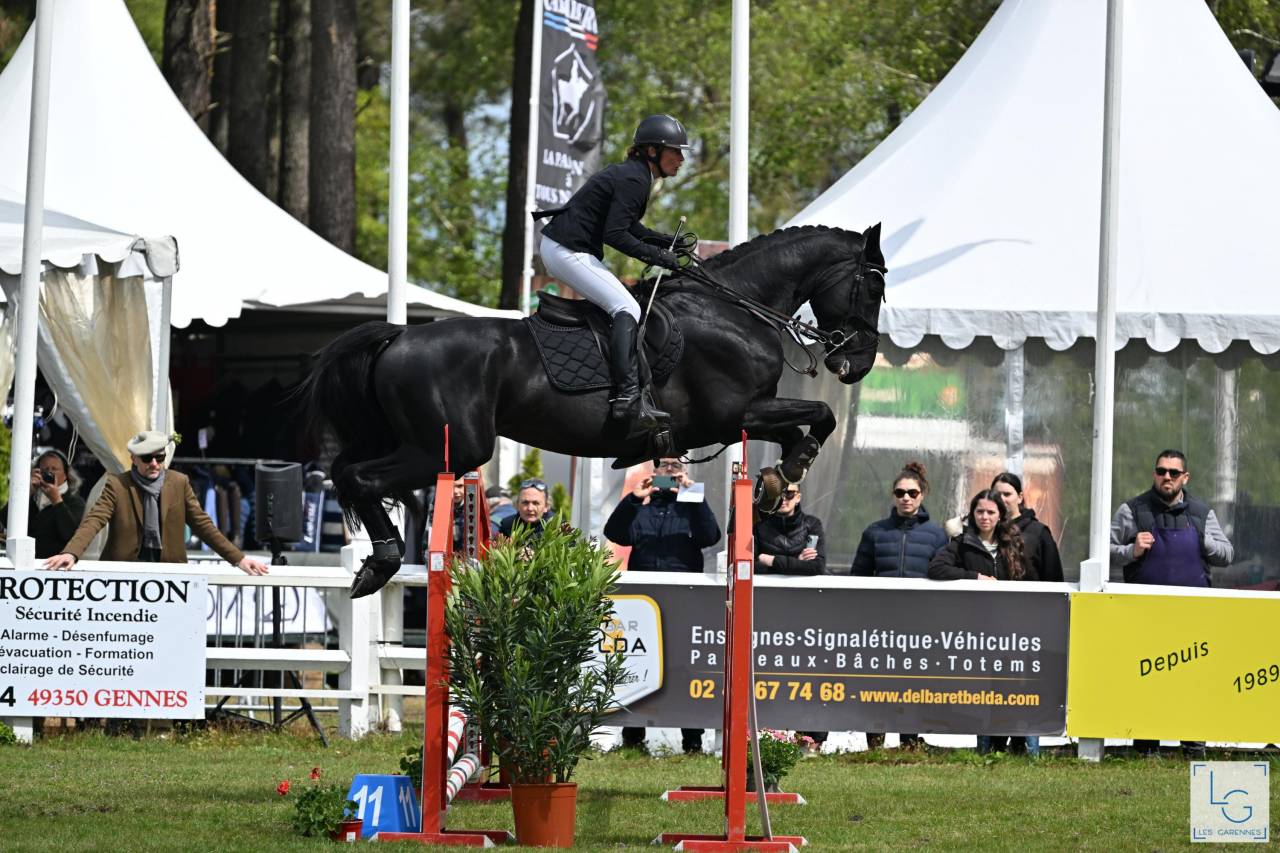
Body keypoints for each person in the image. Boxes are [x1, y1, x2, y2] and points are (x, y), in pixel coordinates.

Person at [538, 114, 695, 435]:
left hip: (565, 247)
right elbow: (616, 234)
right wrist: (660, 257)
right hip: (567, 250)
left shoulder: (636, 174)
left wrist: (665, 241)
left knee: (625, 305)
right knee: (628, 308)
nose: (681, 159)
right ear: (652, 151)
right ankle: (626, 396)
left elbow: (630, 227)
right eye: (675, 151)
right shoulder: (635, 179)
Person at [1110, 449, 1232, 758]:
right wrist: (1130, 551)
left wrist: (1205, 543)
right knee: (1147, 679)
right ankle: (1146, 748)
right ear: (1154, 474)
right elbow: (1103, 549)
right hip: (1145, 616)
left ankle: (1193, 746)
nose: (1167, 476)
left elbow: (1227, 555)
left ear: (1184, 478)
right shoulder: (1132, 510)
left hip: (1193, 616)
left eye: (1173, 473)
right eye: (1161, 471)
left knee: (1192, 681)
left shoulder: (1203, 513)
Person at [605, 457, 720, 753]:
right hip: (645, 604)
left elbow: (711, 536)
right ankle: (633, 738)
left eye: (675, 467)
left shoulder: (690, 508)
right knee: (638, 665)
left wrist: (692, 494)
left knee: (685, 667)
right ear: (654, 472)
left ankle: (692, 739)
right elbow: (615, 533)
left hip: (684, 601)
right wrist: (633, 498)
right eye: (664, 467)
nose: (669, 472)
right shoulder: (641, 510)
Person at [44, 431, 269, 575]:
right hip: (124, 573)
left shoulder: (179, 482)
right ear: (133, 459)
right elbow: (94, 520)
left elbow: (204, 526)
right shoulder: (117, 484)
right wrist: (71, 553)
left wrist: (238, 559)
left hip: (168, 574)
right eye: (147, 458)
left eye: (159, 458)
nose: (154, 464)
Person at [850, 461, 948, 750]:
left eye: (912, 493)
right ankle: (875, 741)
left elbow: (942, 576)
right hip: (880, 624)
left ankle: (910, 740)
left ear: (923, 494)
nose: (906, 497)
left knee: (914, 684)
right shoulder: (875, 533)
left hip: (920, 624)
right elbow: (859, 577)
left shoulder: (936, 535)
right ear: (893, 495)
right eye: (900, 492)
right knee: (877, 683)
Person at [930, 489, 1035, 756]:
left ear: (1000, 515)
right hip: (977, 629)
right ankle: (988, 748)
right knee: (983, 691)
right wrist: (974, 576)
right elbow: (936, 568)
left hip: (1011, 628)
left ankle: (1015, 745)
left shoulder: (1013, 543)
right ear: (972, 514)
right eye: (979, 512)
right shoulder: (962, 543)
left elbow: (1028, 579)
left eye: (990, 512)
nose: (984, 517)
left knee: (1010, 689)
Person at [754, 481, 829, 751]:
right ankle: (766, 735)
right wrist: (797, 562)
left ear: (799, 497)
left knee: (812, 672)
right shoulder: (760, 526)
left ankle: (813, 741)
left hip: (808, 611)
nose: (784, 499)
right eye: (779, 494)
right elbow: (749, 566)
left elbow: (818, 567)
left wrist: (773, 560)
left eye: (790, 494)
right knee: (769, 671)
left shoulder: (812, 524)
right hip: (770, 610)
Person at [1, 449, 87, 558]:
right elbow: (5, 520)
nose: (49, 473)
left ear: (66, 475)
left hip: (55, 565)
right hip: (24, 560)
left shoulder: (75, 502)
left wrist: (57, 501)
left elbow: (70, 535)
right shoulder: (31, 498)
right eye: (44, 470)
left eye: (54, 469)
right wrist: (26, 492)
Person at [990, 472, 1064, 583]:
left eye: (1007, 494)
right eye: (997, 494)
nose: (1001, 499)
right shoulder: (985, 531)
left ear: (1019, 497)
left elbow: (1054, 577)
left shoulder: (1038, 532)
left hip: (1029, 599)